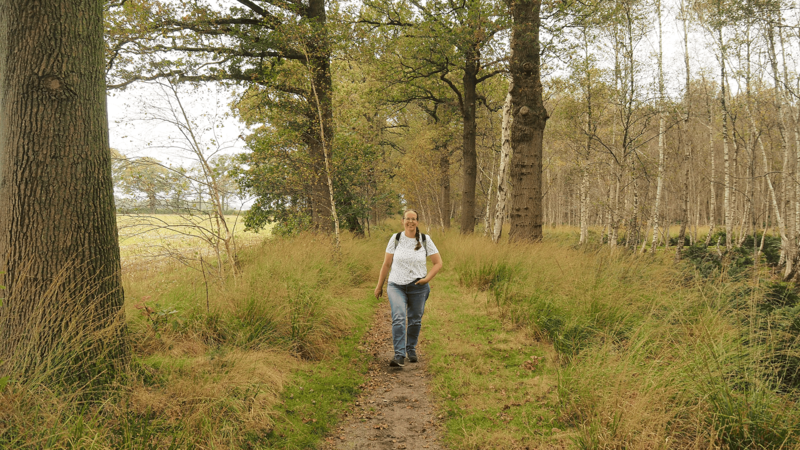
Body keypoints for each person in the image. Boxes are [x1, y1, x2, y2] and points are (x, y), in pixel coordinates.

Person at [374, 209, 443, 367]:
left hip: (418, 287)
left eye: (414, 219)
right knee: (398, 317)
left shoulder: (425, 239)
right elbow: (386, 264)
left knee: (414, 320)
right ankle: (399, 355)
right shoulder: (396, 238)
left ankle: (410, 348)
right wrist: (379, 286)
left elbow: (438, 263)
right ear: (402, 221)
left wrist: (427, 279)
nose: (410, 222)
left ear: (417, 222)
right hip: (396, 285)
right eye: (408, 219)